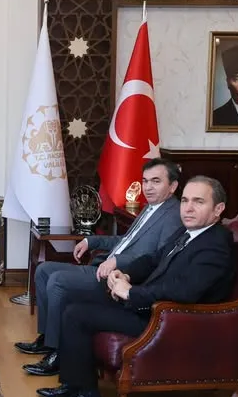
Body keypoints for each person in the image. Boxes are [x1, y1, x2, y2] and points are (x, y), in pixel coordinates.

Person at [38, 176, 237, 397]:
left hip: (170, 321)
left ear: (218, 209)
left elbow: (184, 291)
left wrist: (131, 293)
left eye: (198, 202)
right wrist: (126, 274)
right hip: (151, 307)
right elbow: (153, 260)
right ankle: (74, 385)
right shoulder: (188, 233)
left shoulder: (216, 244)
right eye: (185, 200)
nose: (188, 208)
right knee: (73, 300)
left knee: (77, 315)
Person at [14, 159, 182, 377]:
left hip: (118, 278)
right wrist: (91, 241)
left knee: (58, 281)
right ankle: (47, 339)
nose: (148, 187)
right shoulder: (150, 208)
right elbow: (125, 241)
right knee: (44, 270)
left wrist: (118, 262)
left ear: (173, 186)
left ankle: (58, 354)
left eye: (156, 181)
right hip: (103, 266)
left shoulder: (173, 216)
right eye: (145, 181)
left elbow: (157, 259)